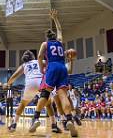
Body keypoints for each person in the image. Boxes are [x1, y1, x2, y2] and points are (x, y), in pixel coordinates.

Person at [29, 9, 78, 137]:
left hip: (52, 68)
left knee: (45, 94)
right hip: (62, 68)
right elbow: (60, 30)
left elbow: (39, 56)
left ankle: (36, 118)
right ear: (55, 37)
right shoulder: (60, 42)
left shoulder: (45, 44)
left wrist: (41, 69)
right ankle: (68, 119)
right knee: (63, 96)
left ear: (47, 37)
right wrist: (55, 18)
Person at [7, 50, 61, 133]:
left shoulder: (24, 65)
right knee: (48, 104)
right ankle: (54, 125)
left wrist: (8, 84)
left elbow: (14, 77)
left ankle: (14, 124)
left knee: (22, 104)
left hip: (30, 83)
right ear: (33, 57)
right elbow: (52, 67)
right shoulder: (40, 61)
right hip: (42, 82)